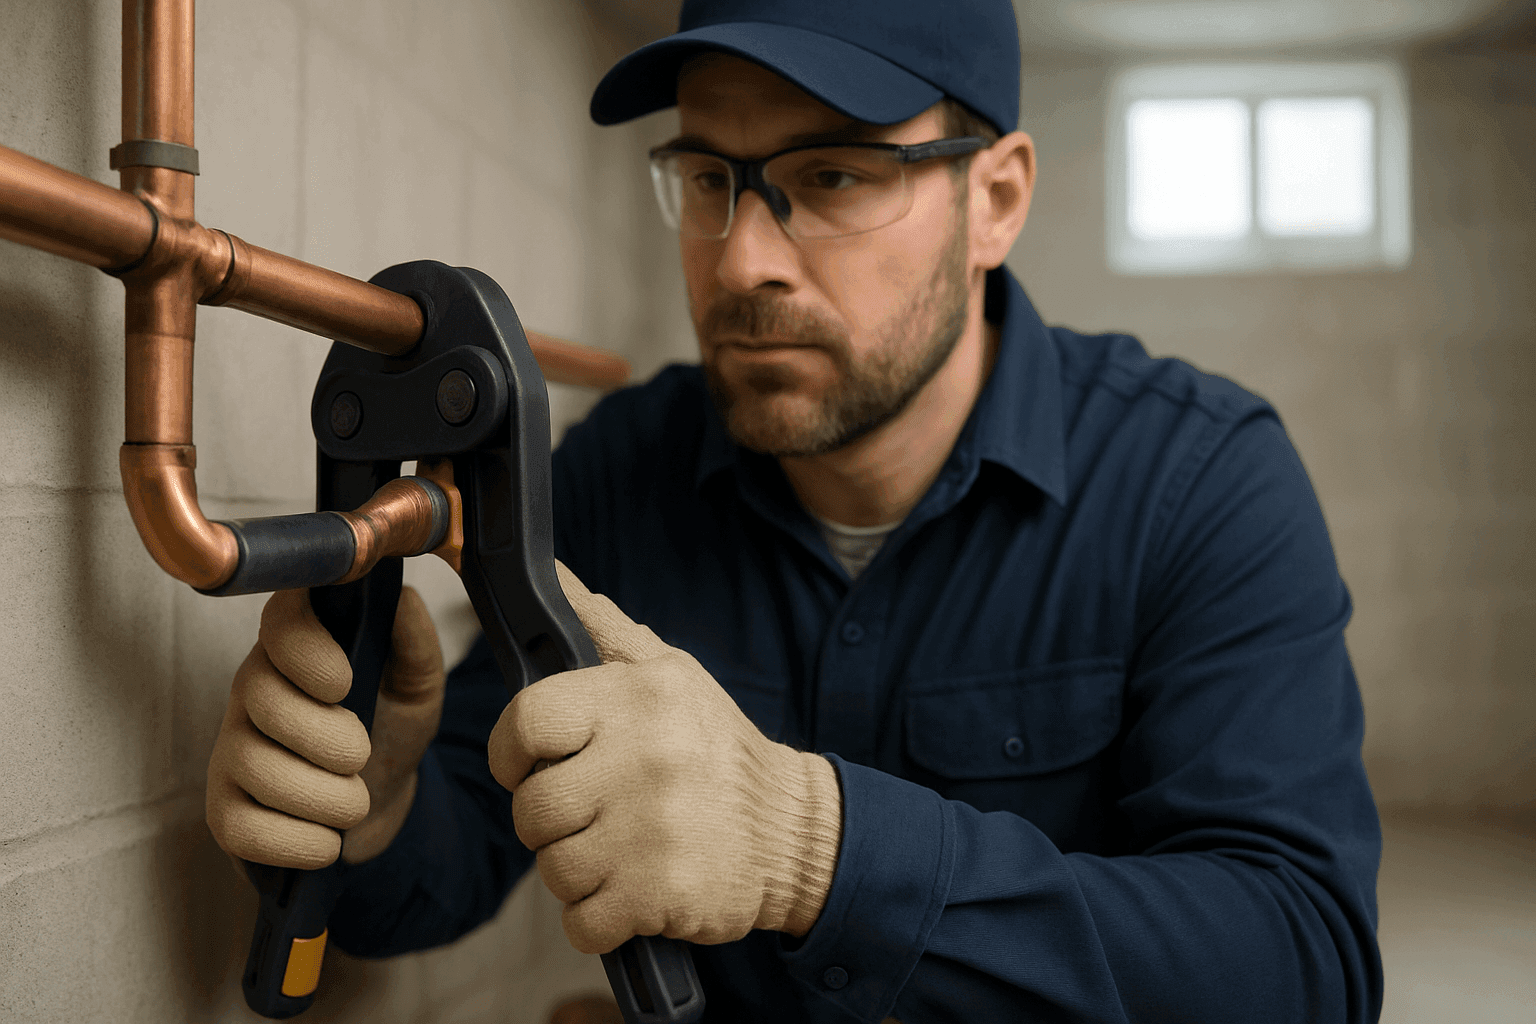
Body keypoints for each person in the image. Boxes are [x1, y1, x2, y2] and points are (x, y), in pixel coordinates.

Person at [205, 1, 1385, 1020]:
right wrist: (381, 801)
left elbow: (1299, 964)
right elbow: (451, 864)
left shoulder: (1201, 482)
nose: (742, 260)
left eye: (830, 176)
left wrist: (813, 850)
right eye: (711, 179)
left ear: (998, 197)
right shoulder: (620, 471)